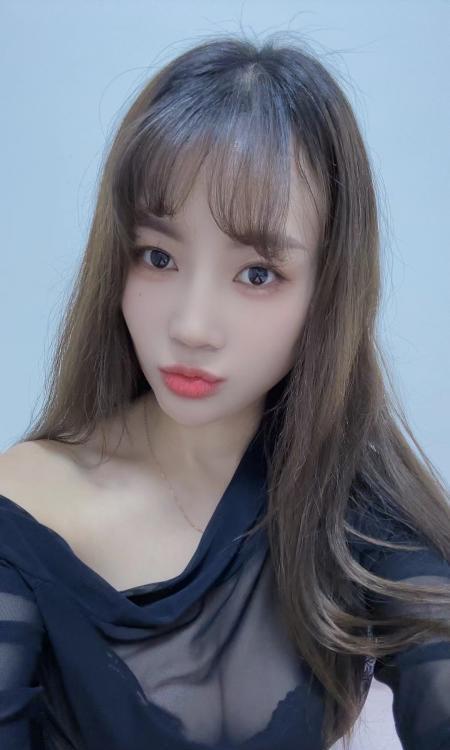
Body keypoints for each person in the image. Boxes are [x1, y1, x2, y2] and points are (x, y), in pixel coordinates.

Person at [0, 32, 449, 750]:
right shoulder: (24, 510)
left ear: (327, 292)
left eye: (257, 274)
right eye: (158, 257)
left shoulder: (354, 514)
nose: (191, 326)